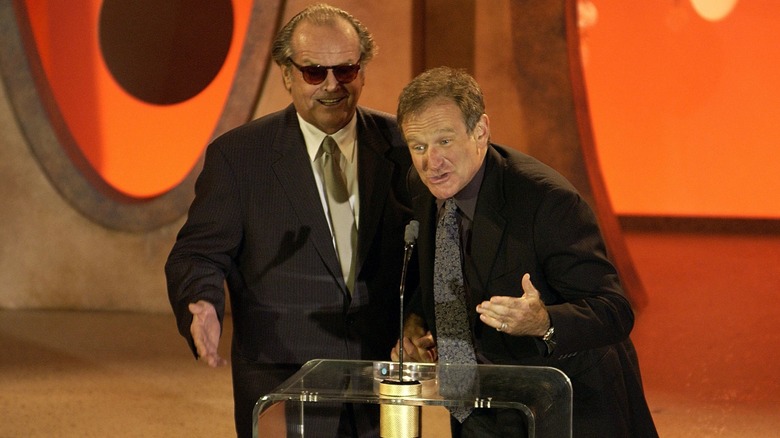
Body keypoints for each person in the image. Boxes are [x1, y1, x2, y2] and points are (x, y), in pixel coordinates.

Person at [165, 4, 416, 437]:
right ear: (286, 74)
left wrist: (420, 318)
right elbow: (198, 253)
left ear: (363, 70)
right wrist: (202, 302)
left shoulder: (403, 145)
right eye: (315, 72)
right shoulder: (240, 157)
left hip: (380, 377)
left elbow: (429, 248)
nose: (333, 85)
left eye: (346, 70)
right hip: (282, 376)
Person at [391, 66, 658, 437]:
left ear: (480, 131)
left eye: (445, 142)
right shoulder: (422, 187)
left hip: (567, 408)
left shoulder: (546, 202)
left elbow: (613, 310)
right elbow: (442, 273)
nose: (429, 162)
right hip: (477, 409)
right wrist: (416, 324)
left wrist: (545, 322)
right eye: (418, 146)